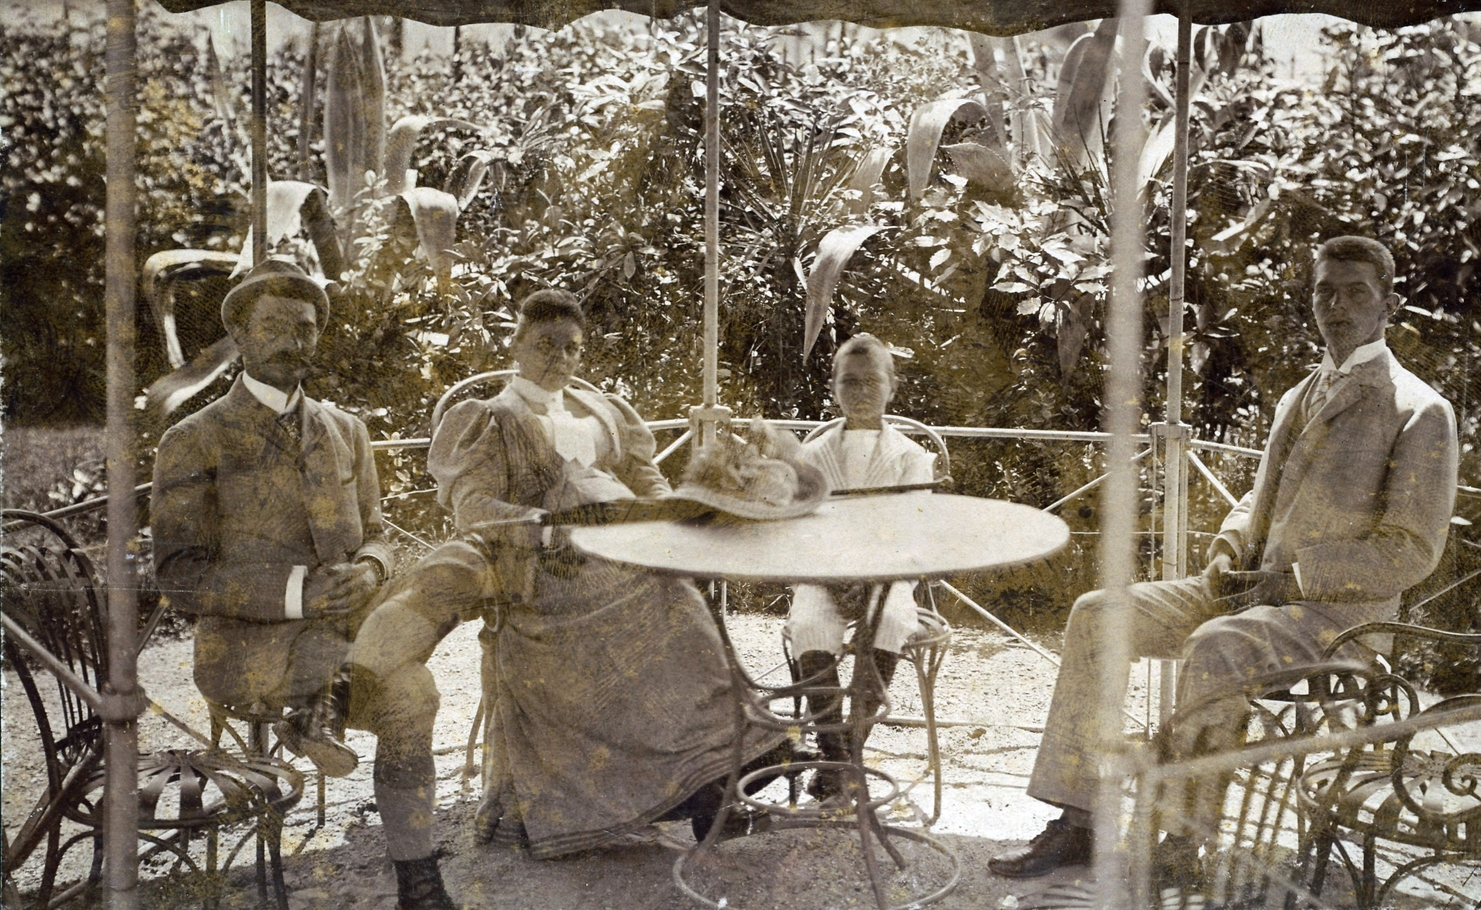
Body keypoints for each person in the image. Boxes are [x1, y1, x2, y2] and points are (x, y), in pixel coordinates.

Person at [988, 235, 1459, 880]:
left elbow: (1411, 550)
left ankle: (1181, 846)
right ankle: (1080, 820)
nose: (1337, 306)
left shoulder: (1419, 410)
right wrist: (1229, 548)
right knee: (1098, 615)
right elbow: (1259, 496)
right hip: (1249, 592)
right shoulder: (1303, 392)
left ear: (1388, 305)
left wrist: (1291, 577)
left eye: (1356, 292)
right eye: (1325, 291)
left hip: (1336, 619)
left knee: (1216, 645)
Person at [344, 288, 789, 867]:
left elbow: (644, 476)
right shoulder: (491, 418)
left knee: (677, 594)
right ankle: (692, 793)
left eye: (571, 348)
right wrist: (548, 525)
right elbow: (472, 506)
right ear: (518, 344)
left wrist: (666, 518)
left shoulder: (601, 409)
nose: (559, 358)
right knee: (670, 606)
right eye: (545, 345)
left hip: (626, 551)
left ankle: (713, 787)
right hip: (547, 565)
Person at [151, 261, 452, 910]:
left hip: (351, 648)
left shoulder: (346, 430)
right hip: (249, 653)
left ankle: (419, 880)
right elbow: (179, 574)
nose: (294, 339)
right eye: (275, 326)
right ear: (239, 334)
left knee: (415, 693)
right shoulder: (193, 439)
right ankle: (311, 711)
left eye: (307, 327)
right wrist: (297, 591)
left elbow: (376, 531)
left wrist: (370, 568)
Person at [789, 334, 936, 799]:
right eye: (849, 382)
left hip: (886, 574)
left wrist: (873, 579)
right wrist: (834, 578)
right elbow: (803, 531)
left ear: (892, 387)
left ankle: (841, 760)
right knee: (809, 624)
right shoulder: (811, 455)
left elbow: (912, 534)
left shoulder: (911, 457)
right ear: (833, 387)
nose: (861, 391)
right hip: (823, 572)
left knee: (890, 619)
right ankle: (840, 758)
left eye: (872, 381)